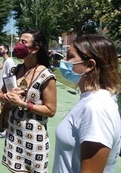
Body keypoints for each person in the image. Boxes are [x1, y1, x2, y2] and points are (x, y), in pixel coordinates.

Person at [53, 35, 121, 173]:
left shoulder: (97, 108)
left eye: (69, 56)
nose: (63, 60)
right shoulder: (90, 100)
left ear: (89, 65)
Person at [0, 29, 57, 172]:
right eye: (19, 40)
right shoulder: (15, 70)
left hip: (34, 138)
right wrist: (8, 97)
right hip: (13, 132)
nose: (19, 45)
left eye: (24, 42)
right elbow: (0, 95)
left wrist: (23, 104)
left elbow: (51, 110)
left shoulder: (46, 76)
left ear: (35, 49)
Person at [0, 44, 15, 139]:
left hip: (6, 90)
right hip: (3, 89)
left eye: (1, 48)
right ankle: (5, 127)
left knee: (7, 110)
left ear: (6, 50)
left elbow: (11, 76)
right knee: (3, 109)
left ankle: (7, 130)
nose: (0, 50)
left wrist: (7, 92)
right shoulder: (5, 61)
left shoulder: (9, 61)